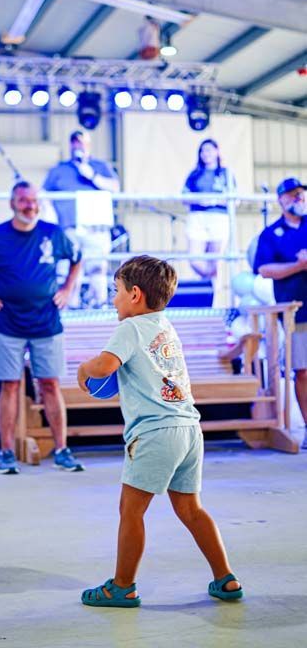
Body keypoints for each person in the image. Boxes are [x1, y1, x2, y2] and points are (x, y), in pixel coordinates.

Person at [78, 255, 243, 607]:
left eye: (116, 290)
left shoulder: (130, 328)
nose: (113, 298)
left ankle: (122, 586)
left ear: (134, 294)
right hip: (187, 429)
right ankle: (225, 577)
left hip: (154, 433)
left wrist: (83, 368)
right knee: (191, 509)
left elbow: (105, 366)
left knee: (131, 510)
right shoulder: (165, 326)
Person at [0, 181, 84, 474]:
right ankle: (5, 453)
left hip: (47, 323)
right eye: (24, 200)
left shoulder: (53, 234)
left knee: (50, 385)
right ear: (12, 203)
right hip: (8, 324)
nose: (30, 205)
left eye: (34, 200)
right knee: (10, 385)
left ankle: (62, 450)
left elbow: (78, 258)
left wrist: (67, 288)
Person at [254, 177, 307, 450]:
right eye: (293, 195)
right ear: (281, 200)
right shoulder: (271, 234)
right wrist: (299, 266)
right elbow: (264, 270)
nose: (299, 199)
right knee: (303, 371)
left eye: (301, 194)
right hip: (297, 312)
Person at [43, 130, 120, 308]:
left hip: (96, 228)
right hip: (69, 229)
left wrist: (92, 175)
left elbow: (115, 187)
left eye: (81, 142)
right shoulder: (59, 169)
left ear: (88, 145)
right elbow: (44, 194)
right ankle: (71, 309)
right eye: (74, 143)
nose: (78, 146)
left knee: (97, 269)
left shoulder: (100, 166)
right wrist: (50, 213)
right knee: (69, 270)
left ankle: (99, 307)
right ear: (70, 145)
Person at [182, 139, 235, 280]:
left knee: (214, 261)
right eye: (203, 151)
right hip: (197, 217)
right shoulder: (194, 174)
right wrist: (200, 200)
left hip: (218, 218)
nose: (206, 154)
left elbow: (235, 200)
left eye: (209, 150)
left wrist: (214, 200)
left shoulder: (226, 173)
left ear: (217, 152)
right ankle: (206, 280)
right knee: (194, 259)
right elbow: (184, 197)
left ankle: (211, 291)